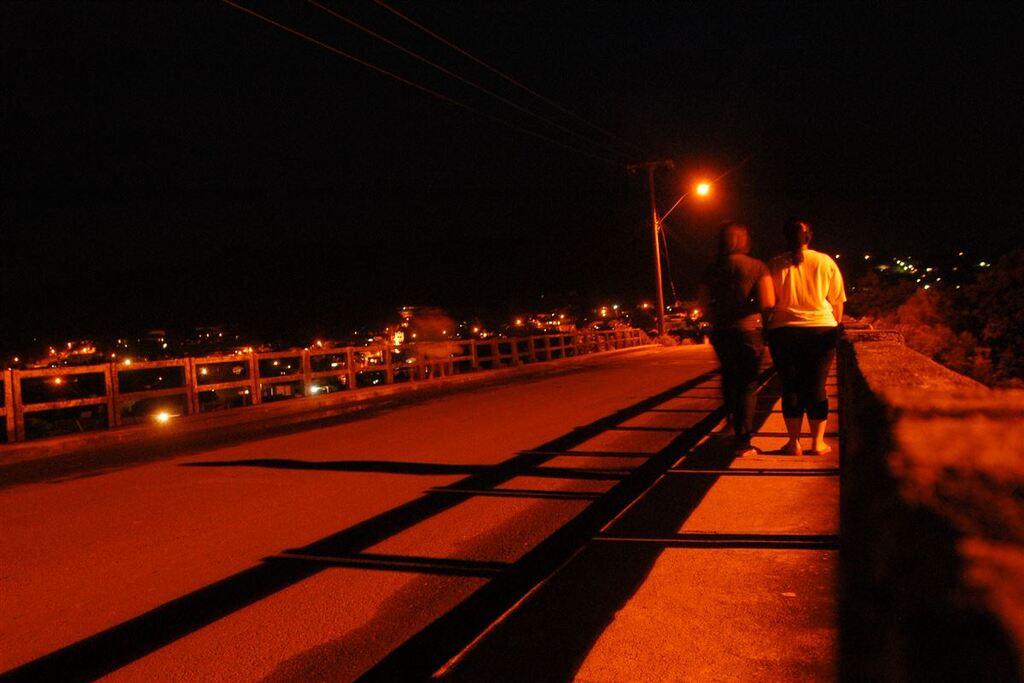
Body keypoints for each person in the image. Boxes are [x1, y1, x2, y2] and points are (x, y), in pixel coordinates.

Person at [766, 218, 846, 455]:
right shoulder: (825, 261)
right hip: (821, 330)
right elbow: (837, 300)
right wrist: (837, 327)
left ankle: (793, 443)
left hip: (783, 331)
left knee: (790, 387)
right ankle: (817, 443)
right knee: (816, 387)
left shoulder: (775, 263)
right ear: (808, 237)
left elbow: (769, 302)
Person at [698, 222, 775, 455]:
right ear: (745, 241)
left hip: (722, 332)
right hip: (749, 331)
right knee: (748, 384)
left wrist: (718, 317)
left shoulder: (711, 269)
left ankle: (731, 421)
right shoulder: (757, 267)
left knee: (729, 377)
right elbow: (768, 302)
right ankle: (742, 441)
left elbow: (703, 304)